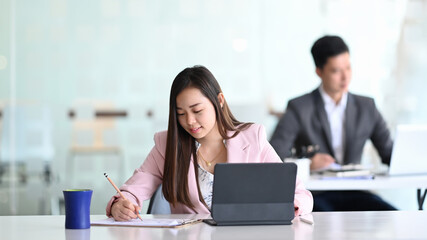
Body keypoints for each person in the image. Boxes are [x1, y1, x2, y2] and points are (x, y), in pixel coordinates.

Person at [106, 65, 313, 221]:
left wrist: (288, 206)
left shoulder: (252, 139)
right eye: (181, 114)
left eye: (197, 111)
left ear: (219, 101)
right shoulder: (167, 144)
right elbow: (134, 188)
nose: (189, 121)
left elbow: (299, 194)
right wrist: (122, 204)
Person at [270, 35, 396, 211]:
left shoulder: (367, 107)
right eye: (336, 71)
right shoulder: (299, 108)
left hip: (356, 193)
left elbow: (390, 153)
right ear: (319, 72)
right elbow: (272, 156)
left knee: (395, 216)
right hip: (316, 195)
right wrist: (308, 163)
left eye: (348, 68)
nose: (345, 77)